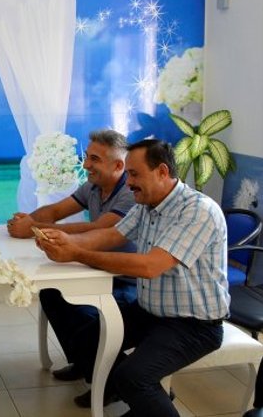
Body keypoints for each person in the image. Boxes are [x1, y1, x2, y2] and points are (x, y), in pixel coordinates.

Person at [38, 139, 229, 416]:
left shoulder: (198, 210)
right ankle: (141, 396)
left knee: (134, 377)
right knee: (85, 339)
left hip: (194, 324)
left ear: (162, 172)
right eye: (128, 174)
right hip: (152, 311)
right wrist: (65, 240)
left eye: (135, 174)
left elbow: (150, 266)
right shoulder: (147, 204)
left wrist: (76, 253)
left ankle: (138, 390)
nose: (128, 183)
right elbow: (111, 235)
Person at [6, 129, 137, 382]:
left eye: (94, 159)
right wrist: (31, 219)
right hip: (97, 268)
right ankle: (85, 362)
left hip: (126, 279)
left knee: (85, 317)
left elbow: (99, 229)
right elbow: (56, 210)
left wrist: (34, 228)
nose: (86, 164)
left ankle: (112, 380)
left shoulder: (130, 193)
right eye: (87, 156)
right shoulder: (94, 186)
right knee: (51, 293)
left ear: (119, 165)